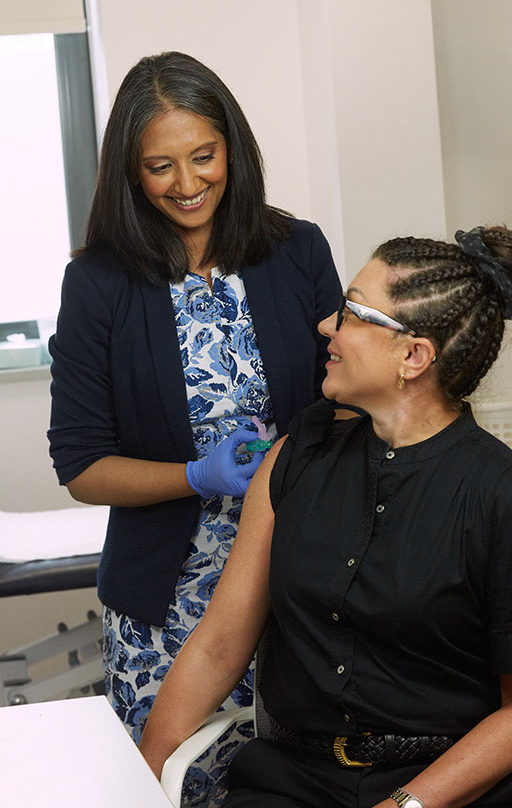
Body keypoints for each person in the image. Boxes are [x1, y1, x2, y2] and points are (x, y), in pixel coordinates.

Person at [139, 225, 512, 808]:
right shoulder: (296, 456)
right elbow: (218, 646)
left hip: (441, 789)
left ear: (413, 356)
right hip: (289, 784)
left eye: (353, 313)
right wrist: (134, 782)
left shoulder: (506, 498)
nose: (326, 327)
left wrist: (405, 806)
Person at [47, 49, 341, 768]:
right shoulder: (98, 283)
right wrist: (195, 475)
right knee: (174, 777)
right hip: (166, 605)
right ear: (129, 171)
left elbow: (347, 397)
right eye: (159, 167)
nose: (187, 184)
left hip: (296, 585)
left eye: (203, 156)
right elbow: (82, 466)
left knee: (289, 783)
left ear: (231, 148)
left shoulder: (296, 251)